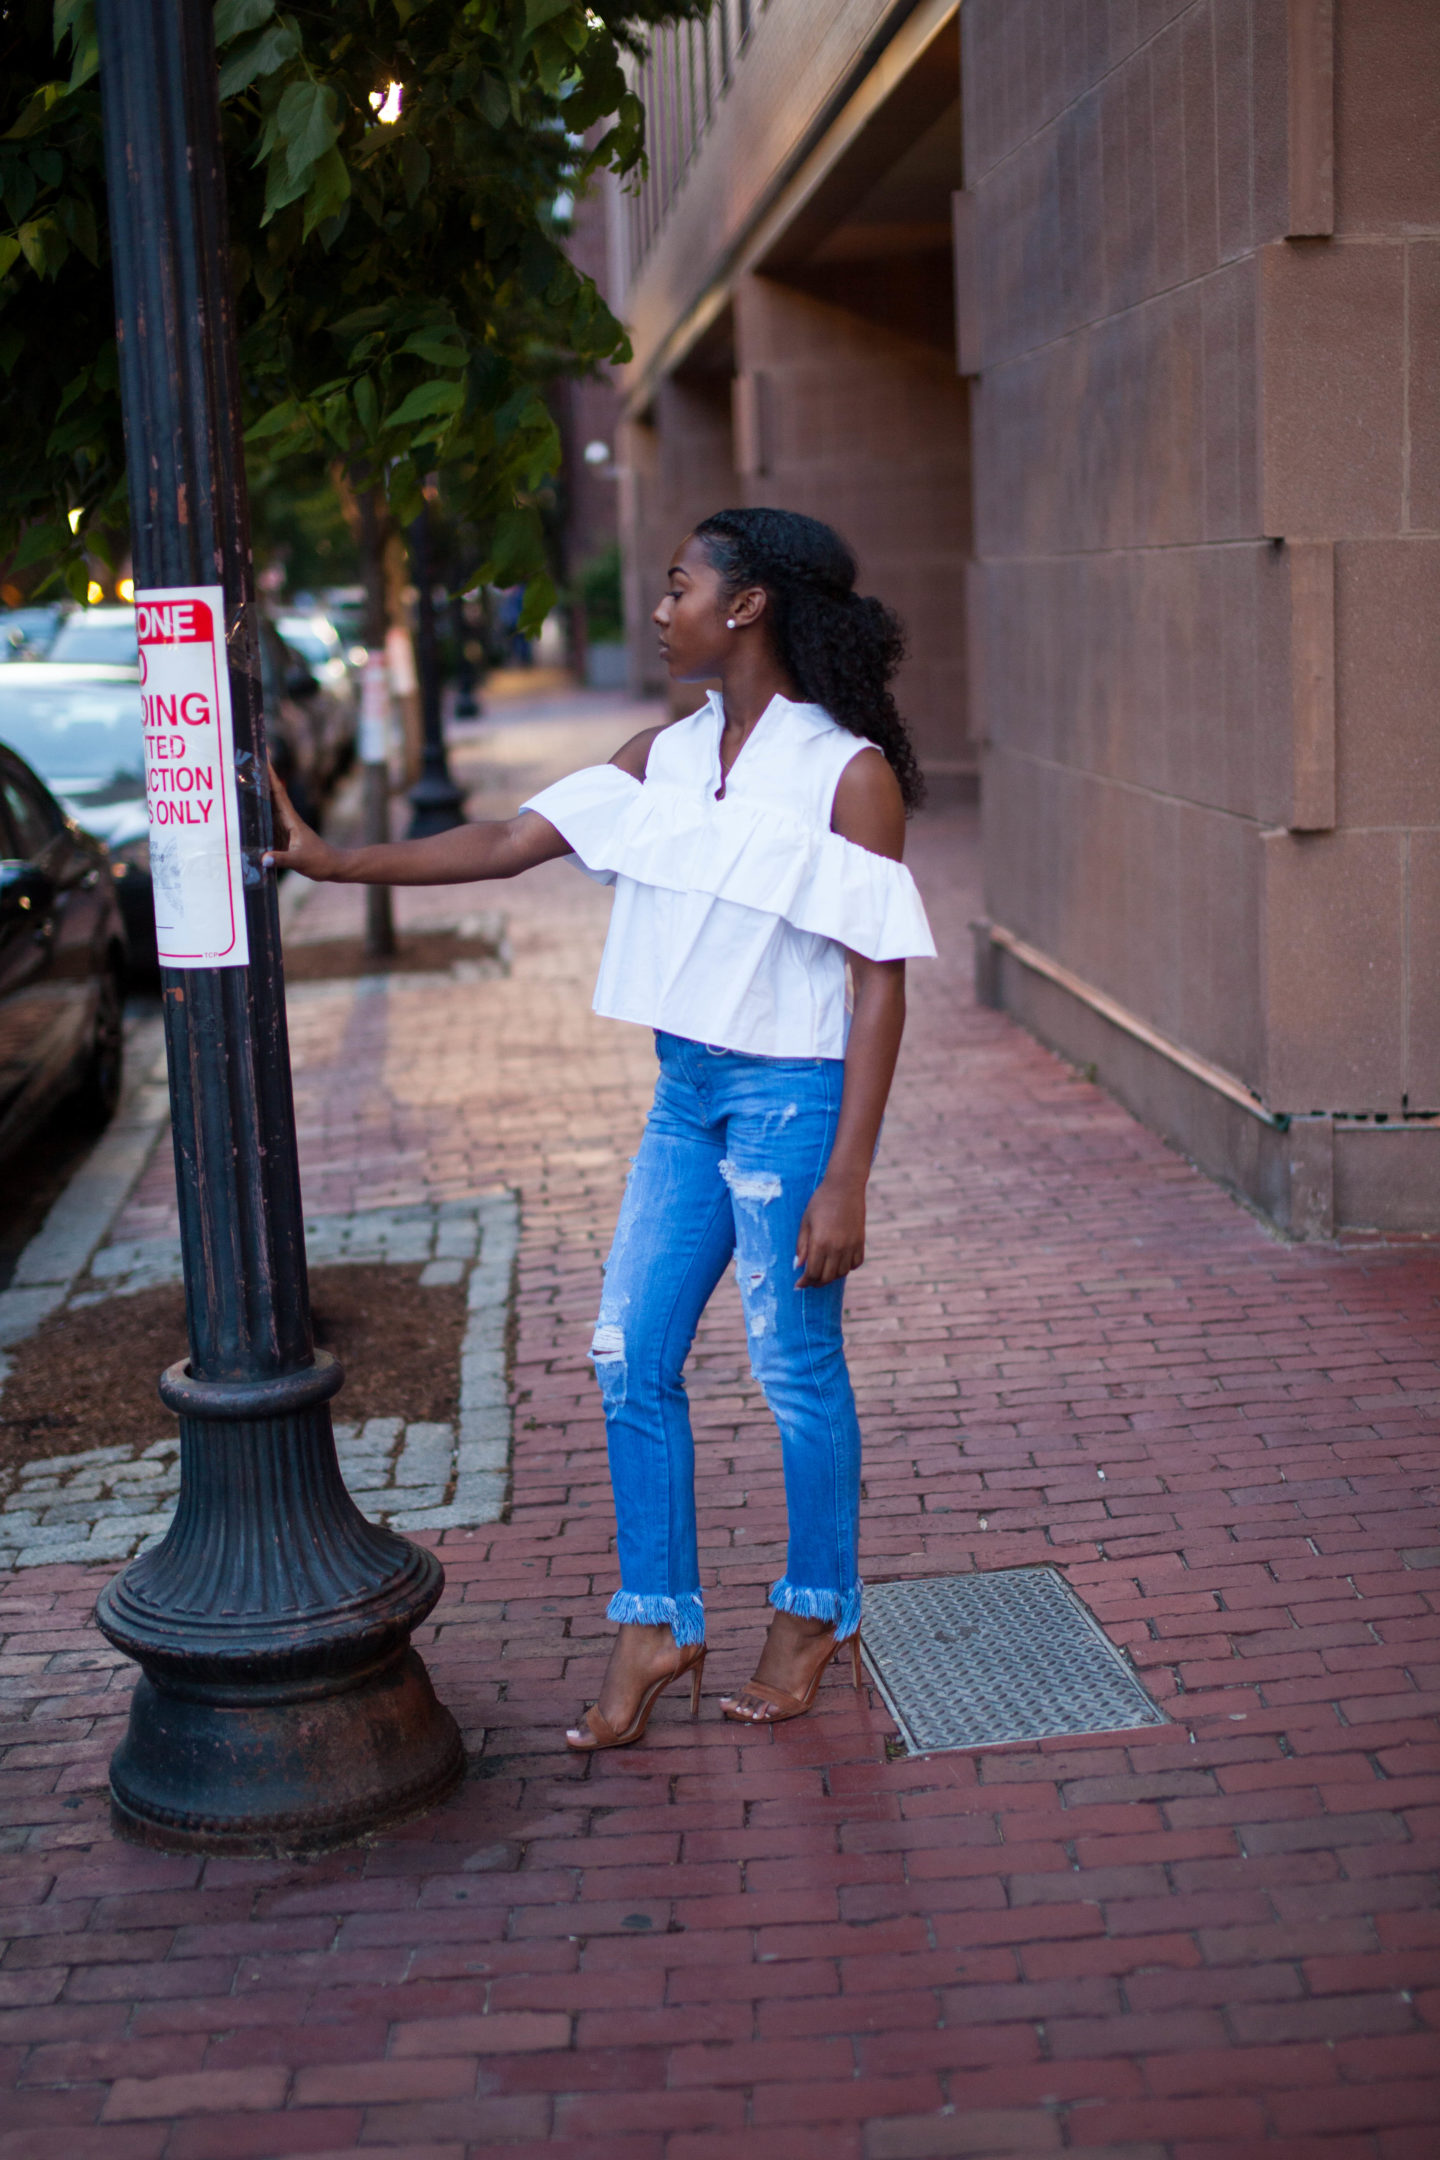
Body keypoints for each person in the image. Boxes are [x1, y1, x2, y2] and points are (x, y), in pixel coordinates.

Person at [264, 506, 936, 1749]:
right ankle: (658, 1620)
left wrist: (849, 1176)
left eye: (680, 585)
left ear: (747, 607)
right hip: (685, 1094)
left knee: (793, 1367)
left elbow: (879, 978)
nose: (661, 604)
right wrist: (334, 863)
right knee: (629, 1353)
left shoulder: (846, 771)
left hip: (792, 1101)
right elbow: (512, 840)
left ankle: (815, 1609)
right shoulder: (657, 759)